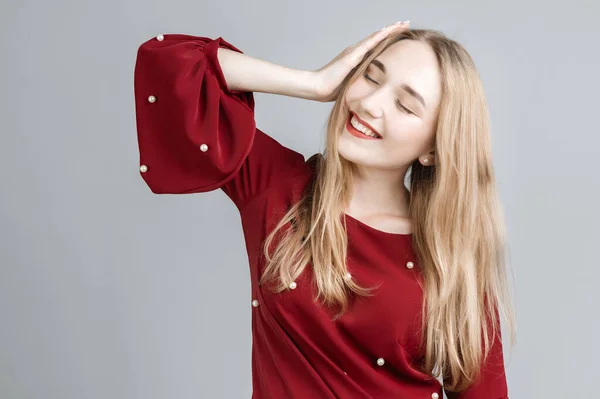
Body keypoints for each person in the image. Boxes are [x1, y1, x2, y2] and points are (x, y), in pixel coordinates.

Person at [133, 21, 516, 398]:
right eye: (370, 77)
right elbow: (171, 64)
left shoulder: (450, 257)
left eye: (404, 105)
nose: (369, 104)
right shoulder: (277, 189)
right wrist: (312, 83)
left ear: (433, 148)